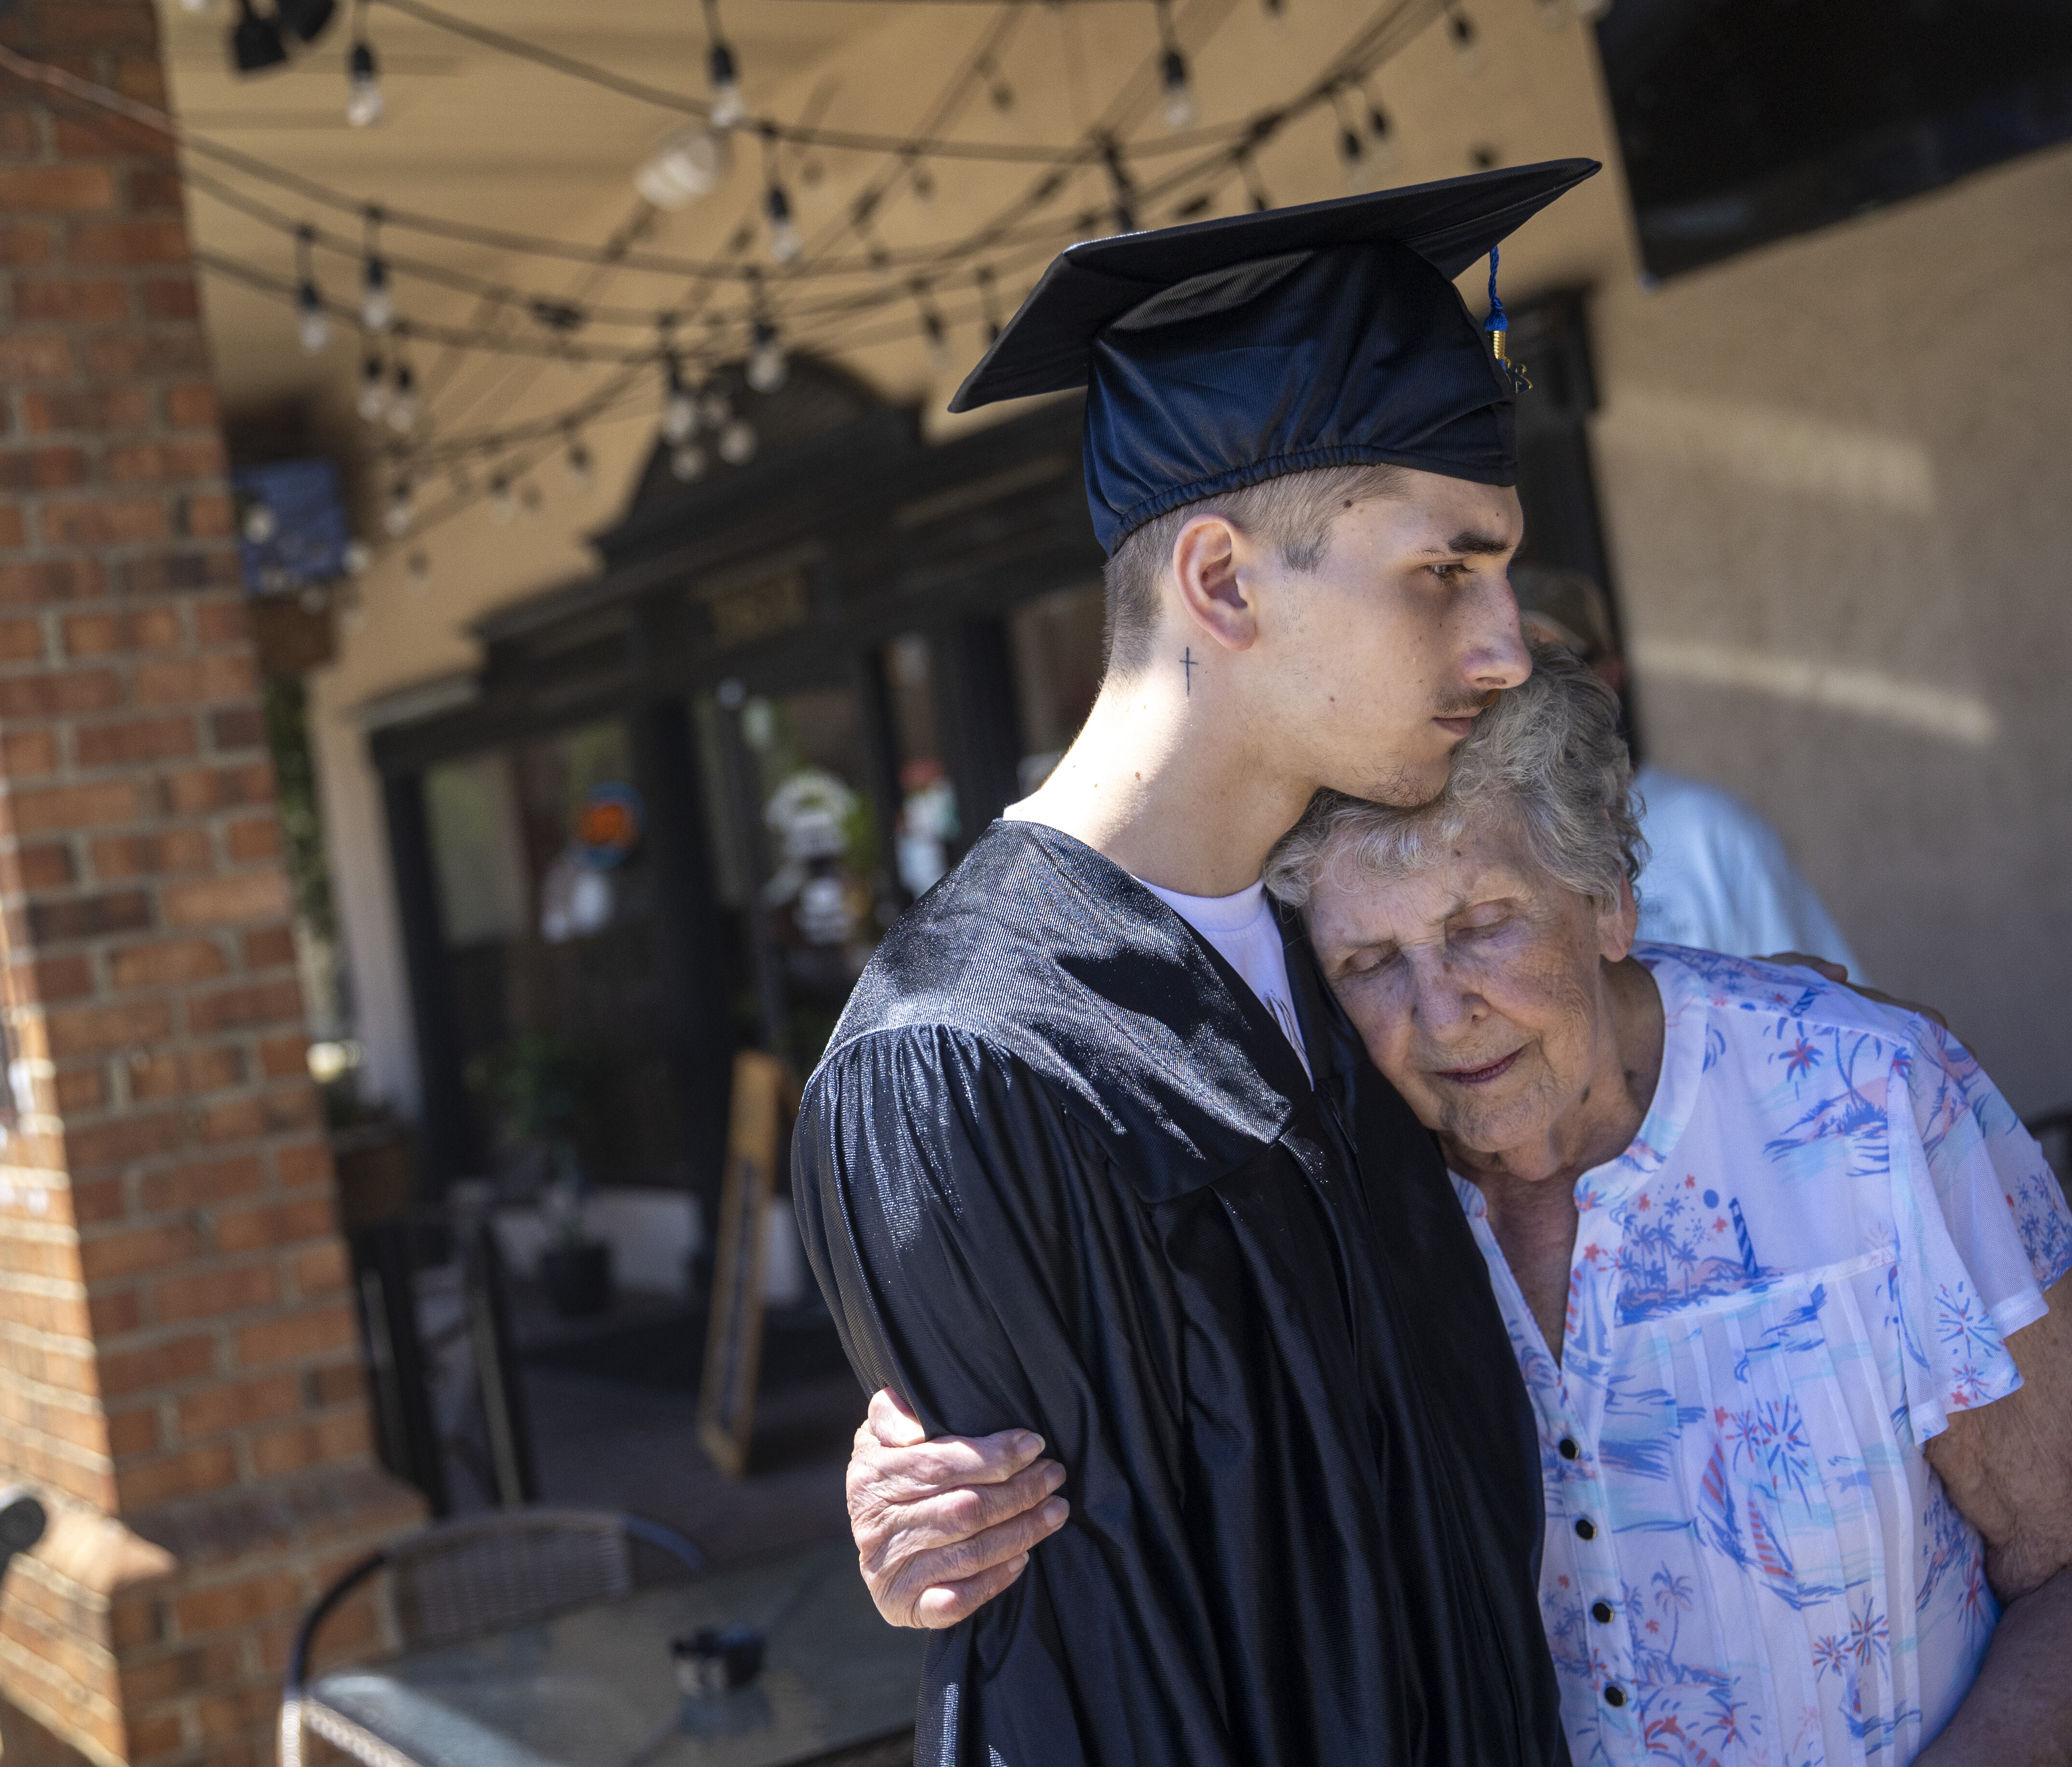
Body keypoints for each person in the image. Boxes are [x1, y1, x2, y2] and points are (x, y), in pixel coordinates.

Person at [839, 654, 2072, 1767]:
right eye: (1369, 967)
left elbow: (2061, 1563)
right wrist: (932, 1505)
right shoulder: (1299, 1204)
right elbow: (1143, 1472)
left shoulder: (1868, 1105)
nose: (1439, 1016)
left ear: (1603, 900)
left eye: (1480, 928)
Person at [792, 159, 1602, 1766]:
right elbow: (1090, 1691)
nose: (1504, 640)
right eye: (1444, 568)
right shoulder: (966, 1063)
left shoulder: (1340, 953)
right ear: (1224, 582)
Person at [1512, 567, 1865, 979]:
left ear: (1609, 674)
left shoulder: (1710, 829)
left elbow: (1817, 1003)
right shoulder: (1477, 840)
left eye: (1562, 665)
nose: (1534, 692)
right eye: (1518, 670)